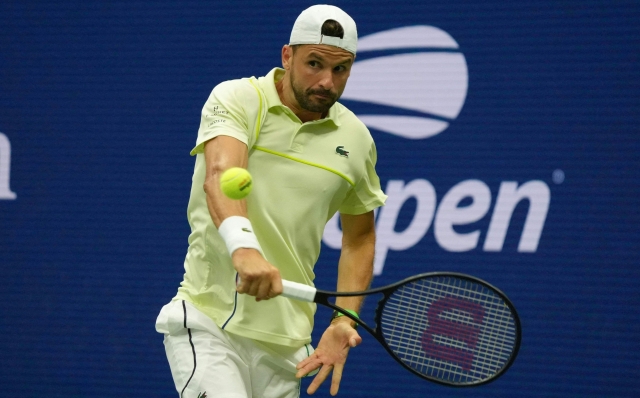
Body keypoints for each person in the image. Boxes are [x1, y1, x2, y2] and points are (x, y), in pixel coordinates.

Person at [155, 5, 387, 397]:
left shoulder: (358, 139)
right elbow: (220, 176)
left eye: (341, 69)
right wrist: (244, 250)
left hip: (289, 345)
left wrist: (344, 320)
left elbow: (360, 238)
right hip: (211, 324)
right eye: (314, 63)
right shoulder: (238, 98)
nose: (327, 81)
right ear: (287, 56)